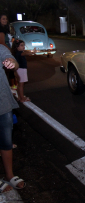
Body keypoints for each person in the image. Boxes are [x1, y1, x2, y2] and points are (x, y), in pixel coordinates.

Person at [0, 44, 26, 193]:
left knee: (6, 142)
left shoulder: (0, 48)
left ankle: (9, 175)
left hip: (3, 103)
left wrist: (11, 62)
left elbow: (13, 62)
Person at [0, 14, 17, 90]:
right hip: (4, 53)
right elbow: (2, 43)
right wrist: (10, 52)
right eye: (3, 19)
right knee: (7, 71)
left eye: (6, 19)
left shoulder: (4, 29)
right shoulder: (1, 30)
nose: (5, 20)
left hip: (6, 51)